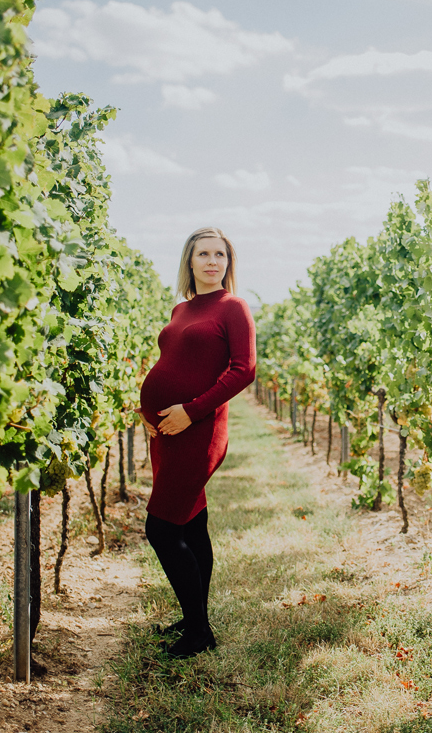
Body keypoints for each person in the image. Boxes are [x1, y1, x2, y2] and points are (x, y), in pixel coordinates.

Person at [137, 227, 256, 658]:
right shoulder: (181, 309)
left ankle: (200, 633)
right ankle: (193, 619)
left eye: (219, 255)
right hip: (167, 432)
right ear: (189, 261)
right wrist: (148, 412)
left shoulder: (233, 308)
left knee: (161, 528)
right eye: (203, 254)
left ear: (228, 262)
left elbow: (244, 370)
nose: (212, 261)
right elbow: (172, 362)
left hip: (199, 429)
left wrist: (190, 410)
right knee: (191, 523)